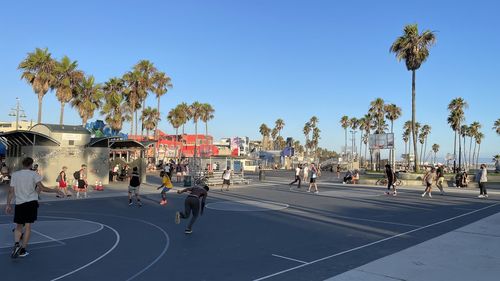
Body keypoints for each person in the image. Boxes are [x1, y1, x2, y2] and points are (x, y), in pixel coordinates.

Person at [5, 157, 53, 258]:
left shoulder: (15, 175)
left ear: (22, 164)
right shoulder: (34, 174)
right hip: (31, 203)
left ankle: (17, 244)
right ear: (31, 164)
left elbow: (11, 191)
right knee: (27, 227)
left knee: (18, 226)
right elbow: (42, 188)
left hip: (20, 203)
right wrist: (56, 190)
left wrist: (8, 204)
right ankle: (22, 250)